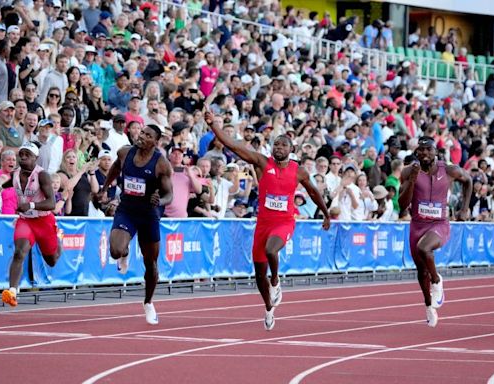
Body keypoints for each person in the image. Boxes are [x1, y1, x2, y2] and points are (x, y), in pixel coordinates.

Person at [204, 111, 330, 331]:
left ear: (291, 151)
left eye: (283, 145)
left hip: (284, 223)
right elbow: (233, 145)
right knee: (259, 274)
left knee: (272, 251)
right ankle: (268, 307)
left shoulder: (298, 171)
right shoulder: (262, 162)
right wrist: (214, 125)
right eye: (276, 144)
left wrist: (326, 213)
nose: (279, 147)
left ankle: (276, 282)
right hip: (262, 224)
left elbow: (313, 192)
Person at [98, 125, 173, 325]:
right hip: (127, 210)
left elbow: (169, 195)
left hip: (148, 214)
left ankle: (148, 302)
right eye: (142, 133)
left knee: (151, 264)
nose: (142, 137)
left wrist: (161, 201)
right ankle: (125, 251)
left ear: (155, 142)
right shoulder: (124, 152)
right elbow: (115, 168)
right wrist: (105, 188)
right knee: (115, 251)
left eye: (148, 136)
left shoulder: (161, 164)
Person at [398, 136, 472, 327]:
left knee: (425, 248)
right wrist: (413, 179)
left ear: (435, 152)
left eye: (428, 149)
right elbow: (402, 204)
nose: (424, 153)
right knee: (421, 271)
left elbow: (468, 180)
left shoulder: (448, 170)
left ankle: (437, 281)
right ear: (416, 153)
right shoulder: (408, 172)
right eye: (421, 150)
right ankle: (429, 305)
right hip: (417, 224)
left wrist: (464, 208)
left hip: (439, 223)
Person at [1, 142, 62, 307]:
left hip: (43, 221)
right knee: (19, 252)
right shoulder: (15, 174)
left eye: (27, 155)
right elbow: (7, 183)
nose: (23, 157)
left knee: (52, 260)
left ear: (36, 158)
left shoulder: (42, 175)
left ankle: (59, 240)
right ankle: (12, 292)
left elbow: (51, 203)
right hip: (25, 220)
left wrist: (31, 205)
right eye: (21, 154)